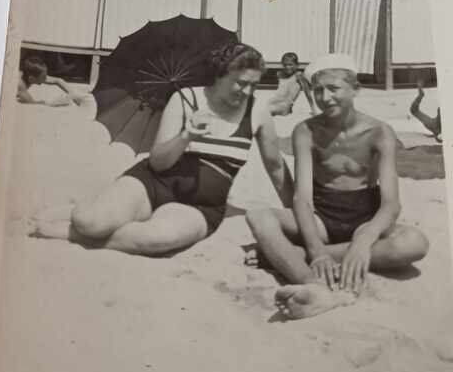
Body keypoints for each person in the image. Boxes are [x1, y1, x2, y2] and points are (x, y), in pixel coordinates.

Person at [29, 42, 291, 255]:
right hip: (153, 183)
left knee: (153, 240)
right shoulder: (186, 98)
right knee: (92, 223)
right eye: (240, 82)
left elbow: (276, 167)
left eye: (254, 84)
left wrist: (297, 214)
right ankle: (86, 215)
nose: (247, 91)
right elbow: (158, 162)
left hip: (200, 206)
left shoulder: (257, 112)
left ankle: (72, 233)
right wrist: (187, 136)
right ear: (220, 75)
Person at [247, 53, 429, 320]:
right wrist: (317, 250)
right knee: (258, 216)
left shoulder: (380, 132)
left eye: (334, 88)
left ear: (355, 89)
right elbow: (302, 198)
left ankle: (287, 256)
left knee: (415, 244)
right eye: (318, 90)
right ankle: (315, 284)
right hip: (321, 218)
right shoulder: (306, 131)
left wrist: (363, 242)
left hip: (364, 220)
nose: (325, 97)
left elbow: (391, 204)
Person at [17, 55, 88, 109]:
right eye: (43, 77)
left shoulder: (29, 75)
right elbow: (33, 105)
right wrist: (59, 102)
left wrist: (76, 96)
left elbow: (57, 80)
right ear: (32, 79)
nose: (46, 78)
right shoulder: (20, 86)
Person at [269, 51, 317, 117]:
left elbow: (307, 93)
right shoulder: (280, 74)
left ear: (297, 65)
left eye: (290, 64)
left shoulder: (298, 75)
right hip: (275, 102)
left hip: (284, 106)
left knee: (264, 111)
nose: (287, 67)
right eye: (285, 65)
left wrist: (313, 109)